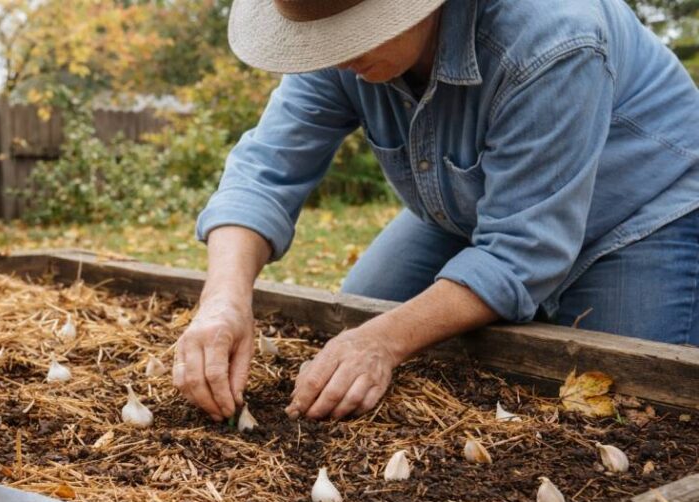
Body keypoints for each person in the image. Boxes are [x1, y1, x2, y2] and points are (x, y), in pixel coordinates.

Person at [172, 0, 699, 422]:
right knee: (359, 314)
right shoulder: (331, 31)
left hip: (642, 212)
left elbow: (524, 249)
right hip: (470, 213)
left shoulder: (552, 35)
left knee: (631, 408)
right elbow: (264, 173)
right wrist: (223, 301)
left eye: (353, 33)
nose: (337, 55)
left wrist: (384, 341)